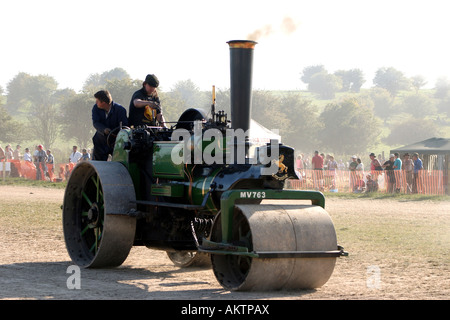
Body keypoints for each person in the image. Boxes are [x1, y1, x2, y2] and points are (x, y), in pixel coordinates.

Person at [92, 90, 128, 161]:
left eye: (97, 101)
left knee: (120, 162)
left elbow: (124, 126)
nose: (96, 103)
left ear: (103, 103)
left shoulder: (120, 110)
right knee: (98, 163)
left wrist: (114, 133)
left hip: (116, 142)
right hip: (101, 142)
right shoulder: (96, 108)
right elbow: (96, 123)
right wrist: (104, 129)